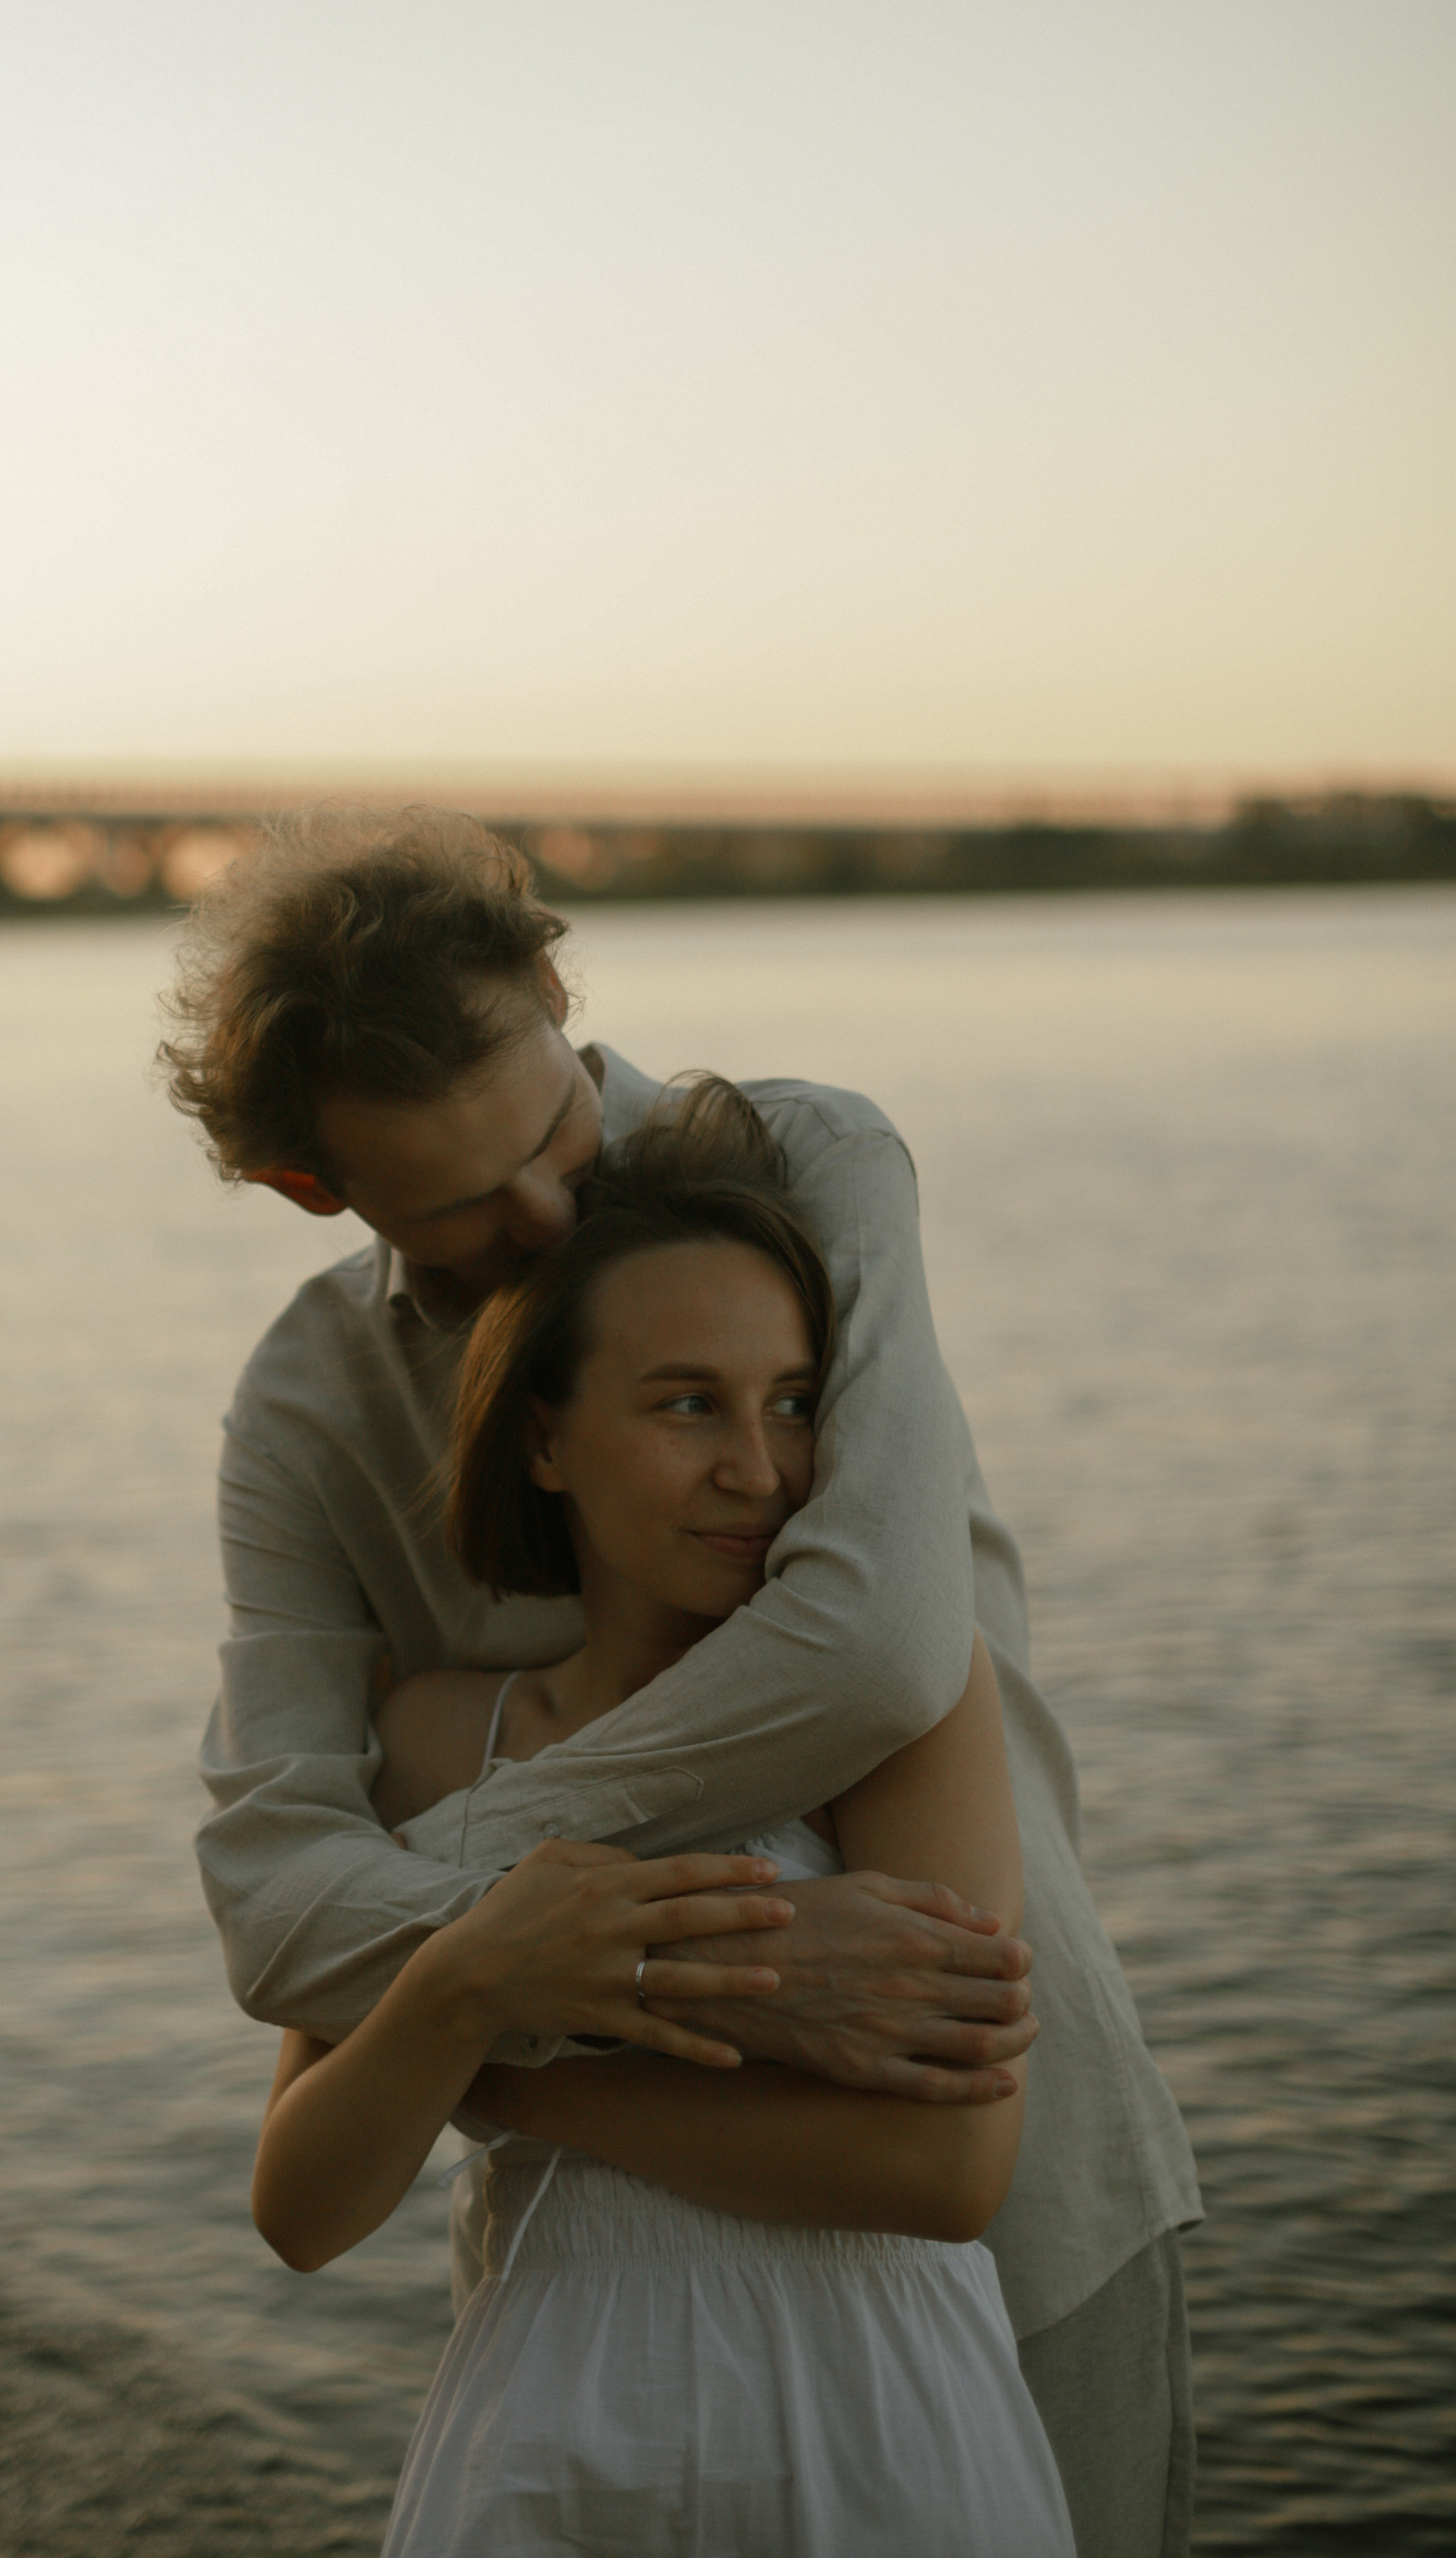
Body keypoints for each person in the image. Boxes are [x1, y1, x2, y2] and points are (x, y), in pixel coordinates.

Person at [166, 806, 1200, 2558]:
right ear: (307, 1191)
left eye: (556, 1135)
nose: (553, 1216)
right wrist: (636, 1961)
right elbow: (273, 1906)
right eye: (468, 1216)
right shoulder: (306, 1413)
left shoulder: (810, 1169)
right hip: (597, 2301)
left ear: (557, 988)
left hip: (1005, 2152)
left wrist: (499, 1950)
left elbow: (872, 1651)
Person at [251, 1079, 1075, 2554]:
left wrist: (500, 2051)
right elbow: (303, 2206)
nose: (759, 1471)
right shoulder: (442, 1737)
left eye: (796, 1402)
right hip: (551, 2440)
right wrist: (470, 1979)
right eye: (688, 1403)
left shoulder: (909, 1705)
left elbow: (949, 2175)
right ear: (548, 1439)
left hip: (875, 2435)